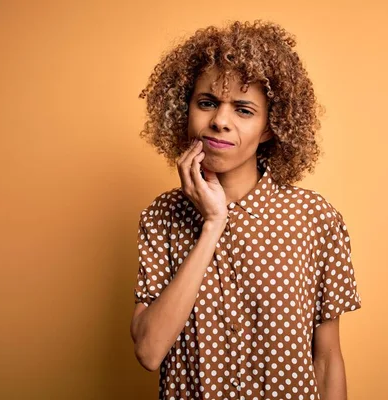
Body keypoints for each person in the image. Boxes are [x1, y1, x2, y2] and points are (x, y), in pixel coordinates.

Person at [131, 20, 362, 400]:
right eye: (207, 103)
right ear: (184, 110)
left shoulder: (315, 219)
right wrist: (212, 225)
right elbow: (149, 351)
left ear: (271, 127)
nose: (220, 121)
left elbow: (327, 359)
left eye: (243, 109)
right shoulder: (161, 218)